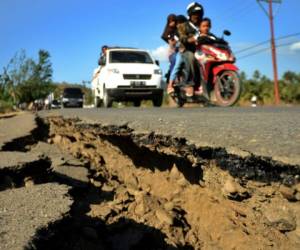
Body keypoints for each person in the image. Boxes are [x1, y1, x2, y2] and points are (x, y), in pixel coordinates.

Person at [176, 2, 204, 97]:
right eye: (195, 14)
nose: (197, 16)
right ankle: (189, 84)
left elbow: (208, 36)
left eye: (199, 14)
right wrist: (191, 39)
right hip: (186, 51)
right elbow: (182, 38)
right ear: (190, 14)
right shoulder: (183, 25)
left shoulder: (202, 26)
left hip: (201, 51)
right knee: (191, 57)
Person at [161, 14, 178, 83]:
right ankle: (172, 79)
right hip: (172, 51)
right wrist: (172, 41)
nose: (172, 23)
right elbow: (170, 42)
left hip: (178, 49)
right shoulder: (168, 30)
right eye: (170, 21)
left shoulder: (177, 30)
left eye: (173, 21)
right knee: (173, 63)